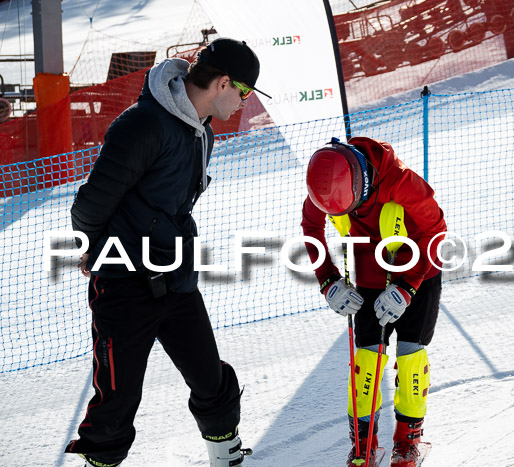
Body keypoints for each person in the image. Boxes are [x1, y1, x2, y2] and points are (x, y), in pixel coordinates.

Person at [65, 38, 269, 467]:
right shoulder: (142, 125)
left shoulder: (202, 134)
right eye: (245, 92)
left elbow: (171, 208)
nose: (244, 103)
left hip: (175, 278)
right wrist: (96, 249)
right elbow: (89, 206)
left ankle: (225, 457)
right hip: (123, 287)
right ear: (222, 83)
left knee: (210, 379)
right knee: (117, 399)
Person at [301, 136, 447, 466]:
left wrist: (407, 286)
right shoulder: (324, 183)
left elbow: (436, 230)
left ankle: (406, 445)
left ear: (363, 187)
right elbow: (311, 225)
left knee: (411, 354)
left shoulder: (400, 181)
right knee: (367, 358)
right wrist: (328, 280)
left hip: (419, 269)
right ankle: (364, 447)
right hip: (367, 271)